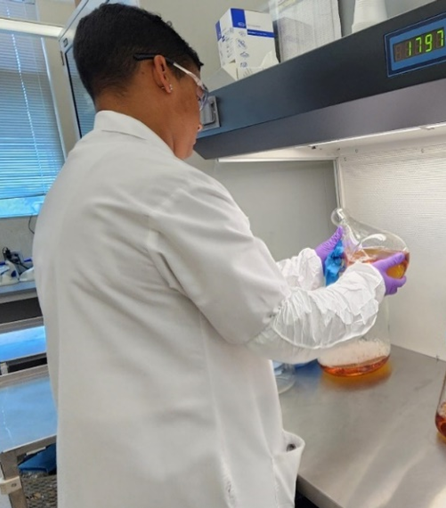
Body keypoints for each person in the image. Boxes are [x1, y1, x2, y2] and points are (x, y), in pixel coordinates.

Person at [32, 5, 405, 507]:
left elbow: (199, 296)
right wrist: (370, 284)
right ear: (163, 72)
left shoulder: (71, 186)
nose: (201, 113)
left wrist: (312, 265)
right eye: (200, 90)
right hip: (185, 486)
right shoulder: (164, 186)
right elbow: (284, 329)